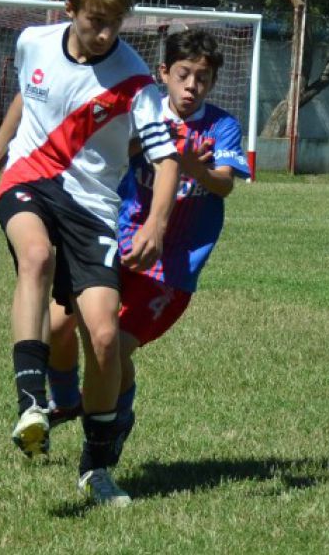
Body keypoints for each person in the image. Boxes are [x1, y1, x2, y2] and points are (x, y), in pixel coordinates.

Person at [0, 0, 183, 507]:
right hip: (29, 179)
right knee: (35, 256)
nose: (105, 33)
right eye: (95, 20)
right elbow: (25, 104)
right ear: (70, 10)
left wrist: (155, 222)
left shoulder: (136, 82)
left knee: (103, 337)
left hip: (93, 208)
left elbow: (167, 159)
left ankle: (96, 468)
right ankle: (31, 401)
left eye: (115, 23)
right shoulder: (33, 42)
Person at [43, 29, 249, 501]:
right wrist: (147, 145)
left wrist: (192, 166)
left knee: (112, 348)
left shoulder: (221, 128)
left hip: (171, 269)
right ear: (164, 75)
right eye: (183, 75)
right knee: (58, 324)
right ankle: (65, 398)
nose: (192, 85)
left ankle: (112, 422)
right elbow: (108, 153)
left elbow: (223, 185)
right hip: (118, 244)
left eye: (202, 77)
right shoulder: (142, 111)